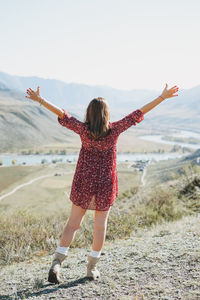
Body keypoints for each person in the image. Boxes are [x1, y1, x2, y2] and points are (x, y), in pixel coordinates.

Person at [25, 83, 179, 283]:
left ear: (89, 113)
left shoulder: (82, 130)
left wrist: (40, 100)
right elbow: (138, 113)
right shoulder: (114, 131)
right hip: (105, 184)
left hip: (84, 181)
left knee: (72, 224)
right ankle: (91, 268)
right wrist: (162, 97)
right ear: (107, 114)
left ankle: (57, 263)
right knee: (100, 227)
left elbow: (63, 115)